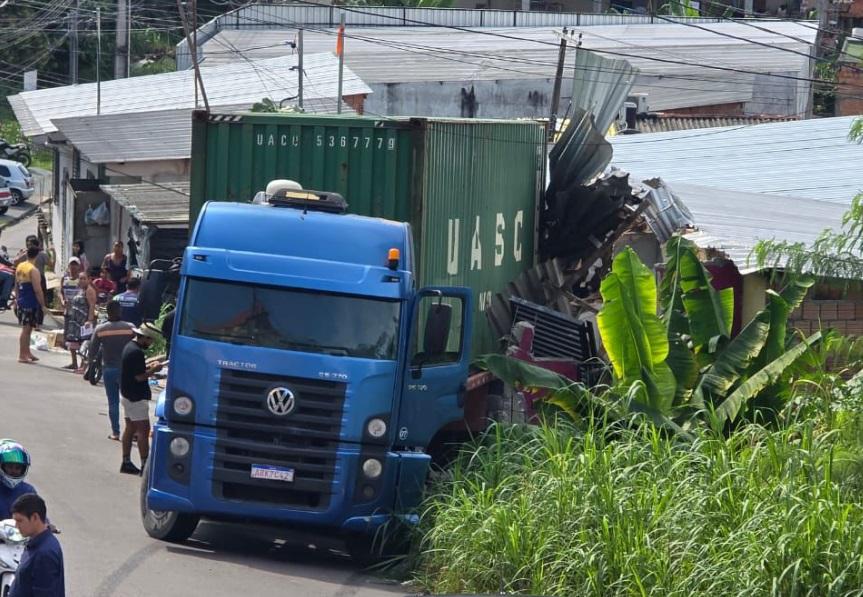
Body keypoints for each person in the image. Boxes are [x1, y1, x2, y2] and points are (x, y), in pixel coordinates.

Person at [119, 323, 163, 475]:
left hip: (127, 394)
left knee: (130, 428)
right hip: (136, 397)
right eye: (150, 340)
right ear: (144, 337)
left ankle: (126, 461)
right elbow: (139, 377)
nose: (150, 343)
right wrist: (154, 370)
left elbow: (135, 370)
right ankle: (145, 466)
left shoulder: (129, 347)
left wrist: (149, 366)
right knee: (143, 431)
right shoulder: (136, 352)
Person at [90, 301, 135, 441]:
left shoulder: (100, 329)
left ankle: (115, 432)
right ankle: (133, 432)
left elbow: (92, 350)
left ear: (107, 312)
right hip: (127, 370)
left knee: (113, 402)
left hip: (109, 369)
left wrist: (91, 366)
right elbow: (139, 345)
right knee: (130, 401)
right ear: (120, 311)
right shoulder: (130, 328)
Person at [9, 493, 65, 597]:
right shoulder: (35, 543)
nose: (16, 526)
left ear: (35, 517)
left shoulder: (45, 554)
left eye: (20, 521)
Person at [14, 246, 47, 364]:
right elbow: (38, 290)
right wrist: (43, 305)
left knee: (29, 329)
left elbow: (16, 285)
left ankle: (27, 352)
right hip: (30, 302)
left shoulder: (20, 266)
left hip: (22, 301)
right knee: (26, 329)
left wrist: (16, 300)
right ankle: (22, 355)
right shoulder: (33, 270)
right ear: (37, 256)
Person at [61, 271, 96, 373]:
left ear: (89, 279)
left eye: (84, 278)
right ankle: (74, 363)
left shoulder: (89, 290)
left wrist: (89, 320)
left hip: (83, 321)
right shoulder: (79, 290)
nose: (81, 280)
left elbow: (92, 306)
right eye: (80, 278)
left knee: (83, 343)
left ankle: (83, 366)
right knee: (72, 342)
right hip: (74, 320)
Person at [0, 441, 37, 521]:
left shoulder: (28, 491)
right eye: (10, 467)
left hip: (21, 529)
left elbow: (38, 516)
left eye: (18, 468)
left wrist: (46, 524)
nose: (13, 471)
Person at [59, 258, 82, 370]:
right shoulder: (65, 278)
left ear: (79, 266)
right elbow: (61, 292)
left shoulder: (81, 279)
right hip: (68, 312)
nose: (73, 267)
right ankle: (74, 362)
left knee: (80, 338)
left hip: (79, 313)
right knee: (70, 337)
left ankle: (82, 363)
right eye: (71, 265)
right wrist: (62, 301)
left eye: (75, 265)